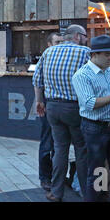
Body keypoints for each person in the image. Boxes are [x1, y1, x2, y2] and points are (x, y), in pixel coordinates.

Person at [32, 24, 89, 202]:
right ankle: (86, 192)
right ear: (78, 36)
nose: (87, 39)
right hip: (75, 108)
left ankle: (56, 193)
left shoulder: (48, 53)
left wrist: (40, 101)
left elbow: (37, 79)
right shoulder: (85, 52)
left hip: (53, 108)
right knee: (81, 149)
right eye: (85, 36)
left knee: (59, 149)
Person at [72, 35, 110, 202]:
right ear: (94, 54)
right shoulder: (82, 75)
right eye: (107, 54)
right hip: (95, 128)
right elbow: (89, 103)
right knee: (98, 172)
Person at [38, 32, 62, 192]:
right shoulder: (46, 58)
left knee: (59, 145)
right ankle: (45, 177)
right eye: (56, 42)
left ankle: (56, 177)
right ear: (49, 44)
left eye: (61, 41)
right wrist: (39, 101)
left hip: (61, 105)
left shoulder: (64, 57)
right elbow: (37, 80)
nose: (59, 44)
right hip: (48, 103)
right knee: (48, 141)